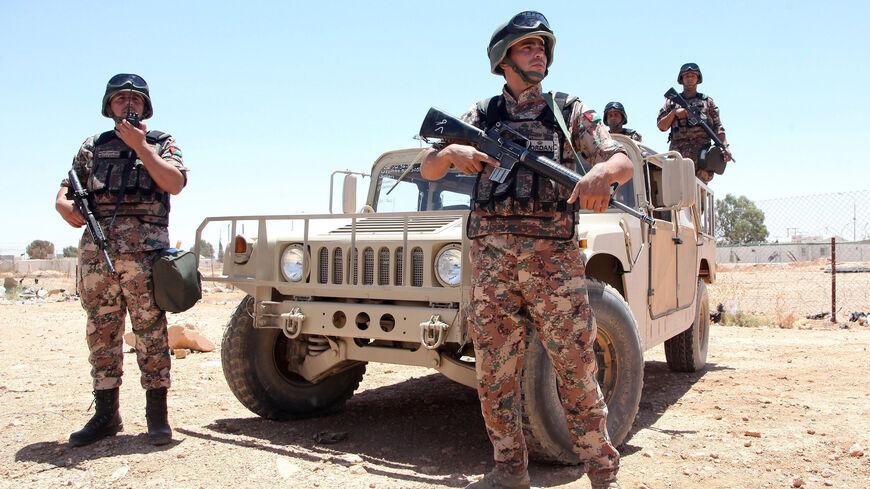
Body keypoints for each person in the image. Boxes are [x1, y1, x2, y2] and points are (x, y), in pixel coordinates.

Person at [420, 11, 631, 489]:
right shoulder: (483, 115)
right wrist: (452, 154)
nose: (539, 52)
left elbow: (621, 160)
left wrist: (603, 173)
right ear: (504, 58)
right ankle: (509, 470)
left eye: (543, 47)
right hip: (492, 267)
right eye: (528, 46)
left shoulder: (565, 110)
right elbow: (429, 167)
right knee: (494, 376)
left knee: (576, 370)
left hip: (553, 265)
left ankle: (602, 472)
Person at [55, 73, 187, 447]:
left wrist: (142, 148)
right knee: (102, 333)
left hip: (145, 256)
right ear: (108, 106)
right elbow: (66, 189)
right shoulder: (93, 146)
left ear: (145, 106)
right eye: (119, 100)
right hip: (99, 256)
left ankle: (157, 417)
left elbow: (174, 183)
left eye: (135, 100)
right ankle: (105, 415)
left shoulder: (161, 143)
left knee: (150, 334)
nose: (128, 106)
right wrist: (63, 204)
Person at [656, 62, 731, 183]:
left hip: (702, 156)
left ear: (698, 79)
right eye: (686, 76)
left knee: (699, 194)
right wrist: (674, 113)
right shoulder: (672, 102)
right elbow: (661, 126)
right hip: (678, 155)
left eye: (693, 76)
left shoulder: (707, 102)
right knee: (677, 194)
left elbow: (718, 127)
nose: (690, 79)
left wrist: (725, 147)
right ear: (681, 79)